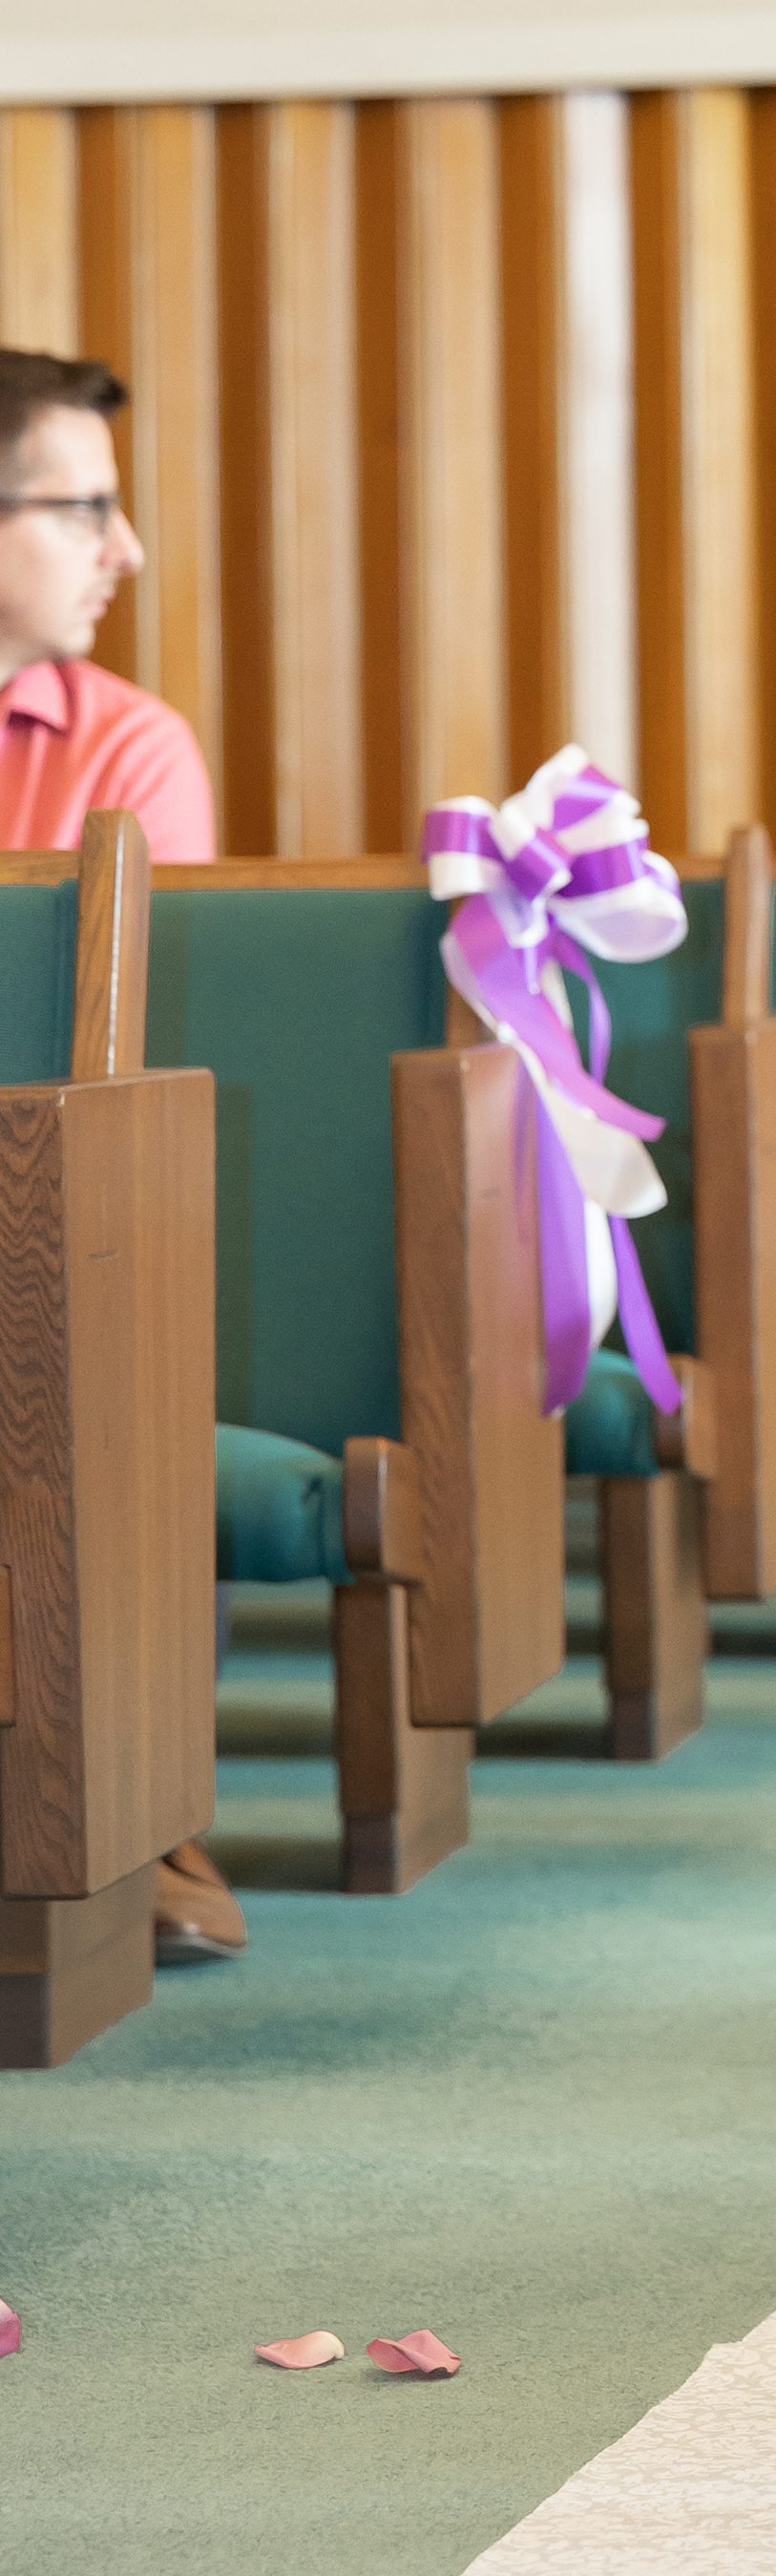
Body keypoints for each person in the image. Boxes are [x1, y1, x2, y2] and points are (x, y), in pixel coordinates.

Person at [0, 344, 243, 1961]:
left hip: (42, 1252)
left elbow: (115, 1087)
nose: (127, 548)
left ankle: (130, 1808)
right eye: (84, 506)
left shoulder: (128, 752)